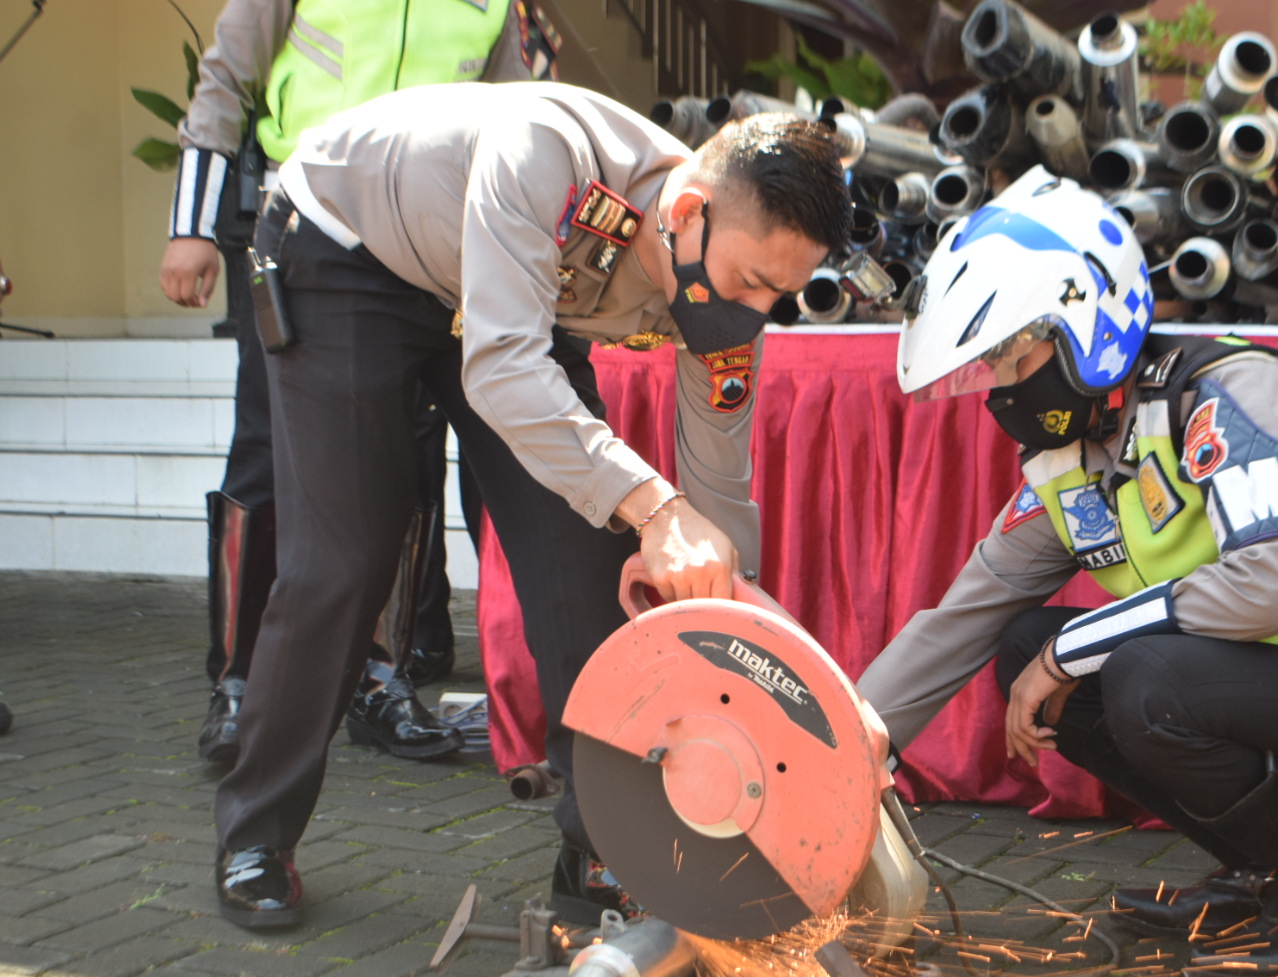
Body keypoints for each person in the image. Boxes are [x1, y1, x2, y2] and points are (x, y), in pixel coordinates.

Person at [212, 82, 850, 928]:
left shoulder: (724, 289)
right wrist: (656, 511)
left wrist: (728, 624)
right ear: (688, 211)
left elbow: (717, 489)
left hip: (507, 306)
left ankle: (602, 854)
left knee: (588, 560)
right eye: (750, 281)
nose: (755, 310)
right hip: (347, 257)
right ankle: (256, 831)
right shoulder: (544, 154)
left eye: (780, 297)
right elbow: (503, 372)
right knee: (344, 560)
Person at [856, 167, 1278, 977]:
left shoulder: (1225, 392)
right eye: (989, 368)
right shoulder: (1071, 461)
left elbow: (1264, 587)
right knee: (1022, 645)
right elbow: (962, 617)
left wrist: (1075, 648)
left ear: (1084, 318)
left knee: (1139, 674)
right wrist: (846, 752)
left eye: (1012, 356)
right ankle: (1273, 871)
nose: (1001, 390)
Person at [159, 0, 561, 766]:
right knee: (266, 451)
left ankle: (380, 678)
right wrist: (192, 226)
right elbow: (224, 83)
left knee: (405, 463)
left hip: (425, 240)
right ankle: (239, 684)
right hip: (301, 226)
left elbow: (522, 115)